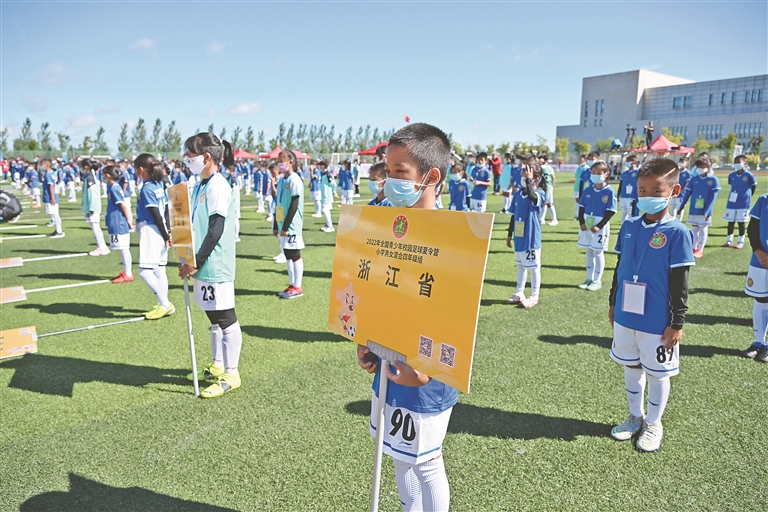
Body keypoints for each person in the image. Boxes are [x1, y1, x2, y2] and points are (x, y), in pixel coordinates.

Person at [357, 123, 455, 512]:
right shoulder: (385, 224)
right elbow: (374, 289)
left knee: (426, 462)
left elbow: (455, 314)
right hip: (389, 359)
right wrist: (365, 339)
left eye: (400, 172)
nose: (390, 181)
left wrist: (427, 370)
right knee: (397, 454)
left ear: (431, 177)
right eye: (388, 170)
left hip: (426, 371)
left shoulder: (452, 236)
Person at [608, 157, 694, 453]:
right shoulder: (629, 225)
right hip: (625, 315)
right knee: (631, 366)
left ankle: (654, 424)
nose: (647, 197)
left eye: (656, 191)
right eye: (642, 191)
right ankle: (635, 417)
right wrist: (612, 304)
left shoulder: (678, 232)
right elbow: (620, 269)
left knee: (657, 373)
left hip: (657, 320)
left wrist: (677, 322)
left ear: (674, 191)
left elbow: (680, 283)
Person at [179, 132, 243, 399]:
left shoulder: (218, 186)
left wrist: (196, 262)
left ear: (206, 157)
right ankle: (217, 364)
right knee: (213, 316)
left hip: (215, 263)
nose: (186, 159)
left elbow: (215, 230)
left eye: (190, 155)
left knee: (226, 318)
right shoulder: (199, 186)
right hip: (202, 262)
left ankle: (232, 373)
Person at [134, 155, 174, 319]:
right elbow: (165, 209)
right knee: (159, 269)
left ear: (140, 169)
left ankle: (165, 304)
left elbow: (155, 213)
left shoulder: (147, 188)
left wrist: (165, 234)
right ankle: (164, 304)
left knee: (145, 272)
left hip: (151, 230)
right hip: (160, 228)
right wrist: (167, 231)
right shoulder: (158, 184)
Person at [506, 161, 545, 308]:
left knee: (534, 268)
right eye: (523, 174)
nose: (524, 177)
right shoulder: (517, 195)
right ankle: (519, 292)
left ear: (536, 179)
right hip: (519, 236)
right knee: (520, 266)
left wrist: (529, 181)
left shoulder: (539, 193)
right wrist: (509, 234)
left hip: (531, 237)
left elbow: (533, 196)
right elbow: (513, 215)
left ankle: (535, 296)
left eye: (527, 175)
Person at [577, 160, 617, 291]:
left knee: (598, 252)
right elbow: (581, 207)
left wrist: (599, 226)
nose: (595, 175)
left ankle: (597, 280)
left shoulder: (609, 191)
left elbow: (610, 212)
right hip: (586, 224)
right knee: (589, 252)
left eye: (599, 173)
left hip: (599, 226)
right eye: (593, 172)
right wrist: (582, 223)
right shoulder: (588, 190)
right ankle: (589, 278)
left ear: (606, 174)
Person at [272, 150, 305, 299]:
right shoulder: (281, 180)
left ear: (290, 162)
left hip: (291, 226)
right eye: (278, 161)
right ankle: (292, 285)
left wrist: (286, 227)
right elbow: (278, 204)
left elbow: (294, 204)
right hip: (282, 225)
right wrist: (276, 224)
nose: (279, 164)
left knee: (294, 254)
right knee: (287, 254)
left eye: (282, 161)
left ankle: (298, 286)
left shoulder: (295, 179)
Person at [677, 157, 721, 258]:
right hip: (694, 209)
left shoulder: (713, 180)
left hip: (704, 211)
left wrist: (707, 211)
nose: (700, 169)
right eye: (698, 167)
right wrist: (681, 207)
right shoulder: (694, 179)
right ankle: (693, 247)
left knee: (703, 230)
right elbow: (687, 194)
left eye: (702, 166)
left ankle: (700, 249)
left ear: (708, 167)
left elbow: (713, 197)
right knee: (694, 229)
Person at [743, 190, 768, 363]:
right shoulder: (764, 200)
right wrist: (759, 252)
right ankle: (759, 342)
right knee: (761, 299)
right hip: (761, 261)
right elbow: (752, 230)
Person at [104, 165, 135, 282]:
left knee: (124, 248)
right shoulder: (112, 187)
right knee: (122, 248)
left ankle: (128, 273)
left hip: (118, 221)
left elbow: (123, 205)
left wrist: (129, 220)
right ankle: (126, 271)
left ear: (107, 175)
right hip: (115, 221)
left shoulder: (114, 188)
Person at [722, 155, 756, 249]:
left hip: (743, 203)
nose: (736, 164)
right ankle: (729, 241)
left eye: (738, 162)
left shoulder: (749, 175)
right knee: (730, 222)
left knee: (741, 223)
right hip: (732, 202)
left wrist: (748, 197)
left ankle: (740, 241)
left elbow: (753, 186)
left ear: (745, 163)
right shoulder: (731, 175)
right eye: (735, 162)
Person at [80, 159, 110, 256]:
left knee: (95, 226)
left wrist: (92, 208)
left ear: (86, 167)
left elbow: (92, 194)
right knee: (95, 226)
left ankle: (102, 247)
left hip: (93, 207)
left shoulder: (90, 178)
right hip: (91, 206)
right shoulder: (89, 176)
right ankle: (102, 246)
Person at [41, 159, 64, 238]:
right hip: (50, 196)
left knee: (55, 214)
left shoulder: (48, 174)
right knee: (54, 214)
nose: (41, 166)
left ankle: (59, 231)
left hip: (50, 196)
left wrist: (52, 198)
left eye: (42, 164)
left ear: (47, 165)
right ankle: (58, 230)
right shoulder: (49, 173)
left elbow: (51, 186)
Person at [538, 154, 558, 225]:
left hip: (545, 187)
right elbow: (553, 177)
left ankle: (554, 219)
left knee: (548, 204)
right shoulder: (549, 168)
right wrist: (552, 186)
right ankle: (542, 218)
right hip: (547, 187)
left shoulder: (541, 168)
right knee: (544, 203)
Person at [617, 156, 639, 221]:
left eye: (628, 161)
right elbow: (621, 185)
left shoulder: (638, 172)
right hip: (623, 196)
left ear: (634, 162)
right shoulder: (624, 173)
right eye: (626, 161)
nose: (626, 163)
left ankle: (632, 227)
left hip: (632, 197)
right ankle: (623, 226)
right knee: (623, 213)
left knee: (631, 214)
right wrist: (618, 195)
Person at [319, 160, 337, 232]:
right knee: (327, 210)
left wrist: (334, 192)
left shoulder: (328, 175)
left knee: (324, 210)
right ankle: (327, 224)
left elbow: (333, 184)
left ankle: (330, 226)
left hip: (327, 195)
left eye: (320, 165)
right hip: (324, 195)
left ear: (323, 166)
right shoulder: (323, 174)